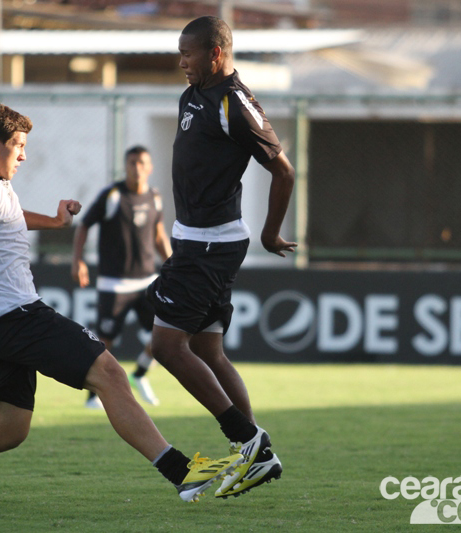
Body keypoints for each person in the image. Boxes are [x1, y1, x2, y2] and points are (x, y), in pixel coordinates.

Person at [0, 104, 243, 505]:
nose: (23, 155)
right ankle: (182, 473)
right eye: (18, 145)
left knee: (6, 431)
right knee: (109, 372)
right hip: (18, 316)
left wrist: (55, 223)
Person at [146, 16, 297, 499]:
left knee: (167, 348)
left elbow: (284, 172)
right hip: (195, 240)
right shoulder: (192, 96)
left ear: (215, 53)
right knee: (208, 351)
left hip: (210, 245)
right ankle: (259, 458)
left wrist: (272, 234)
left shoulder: (235, 101)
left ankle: (249, 441)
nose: (181, 62)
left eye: (188, 53)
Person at [71, 145, 172, 409]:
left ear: (149, 167)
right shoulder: (113, 195)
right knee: (105, 342)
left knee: (164, 336)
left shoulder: (155, 197)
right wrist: (78, 260)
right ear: (125, 166)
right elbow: (84, 224)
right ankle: (93, 395)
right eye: (132, 163)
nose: (137, 167)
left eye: (141, 163)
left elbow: (159, 234)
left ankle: (139, 374)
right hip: (114, 283)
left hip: (148, 282)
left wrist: (173, 264)